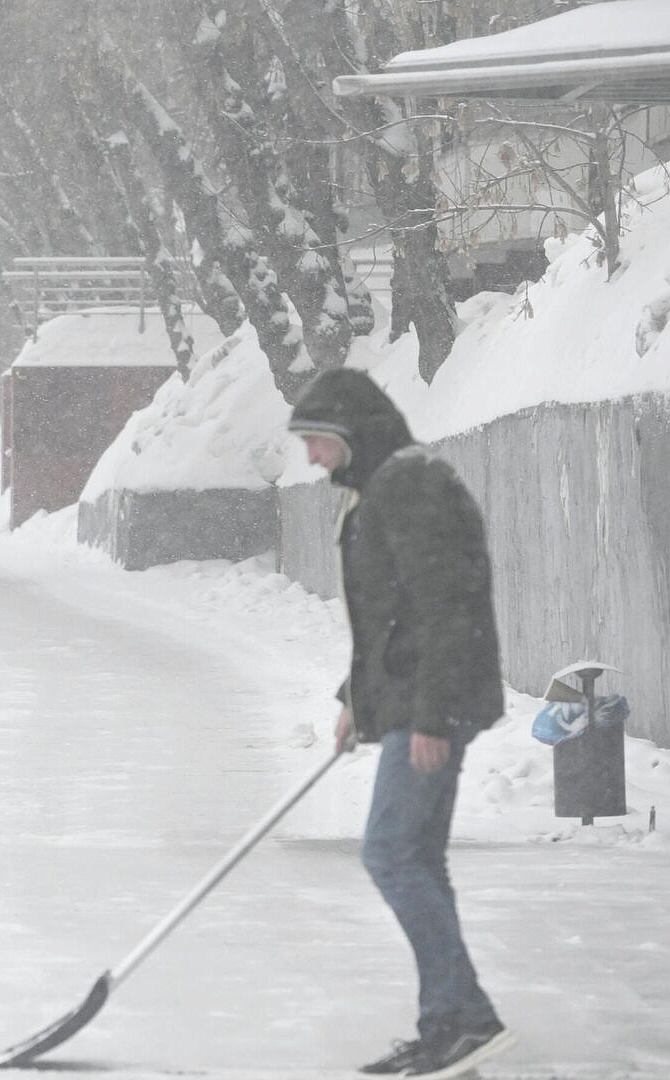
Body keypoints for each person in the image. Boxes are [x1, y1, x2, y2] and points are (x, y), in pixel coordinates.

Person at [287, 368, 514, 1080]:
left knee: (390, 854)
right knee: (416, 858)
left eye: (316, 441)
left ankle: (468, 1020)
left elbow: (446, 606)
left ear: (351, 434)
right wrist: (358, 699)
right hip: (417, 699)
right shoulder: (387, 487)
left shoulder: (409, 487)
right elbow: (389, 617)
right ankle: (446, 1024)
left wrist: (432, 716)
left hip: (433, 705)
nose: (310, 457)